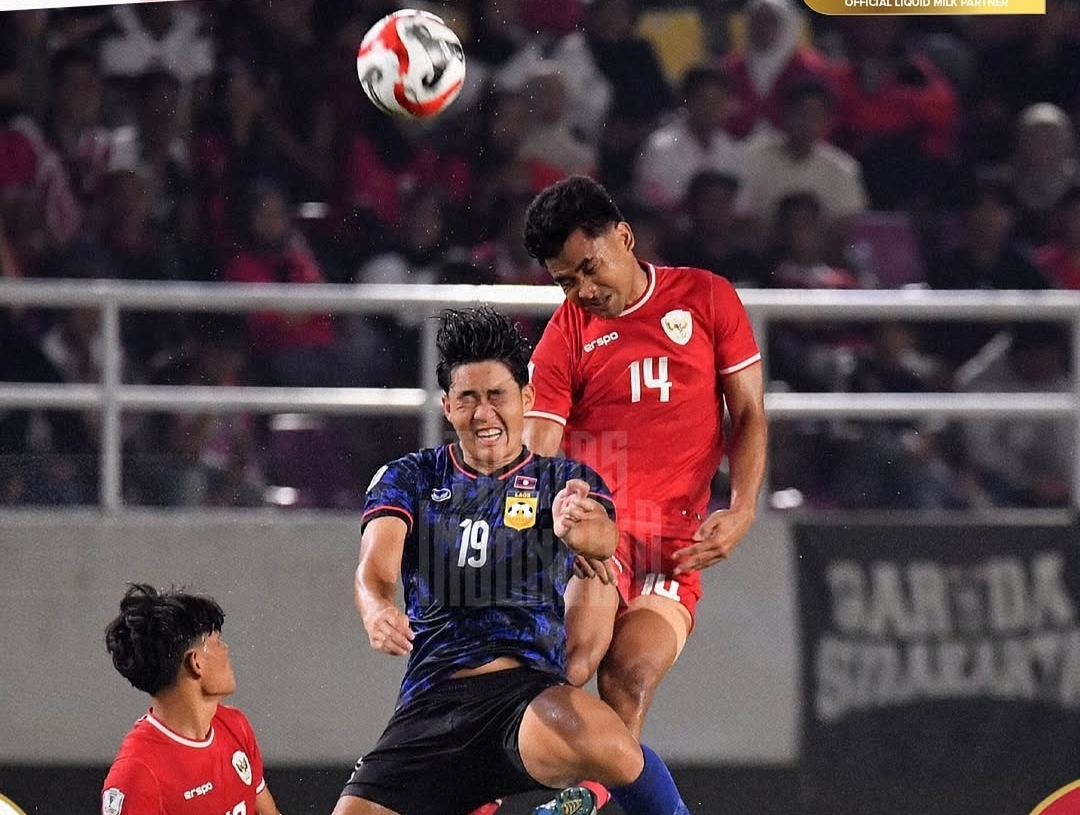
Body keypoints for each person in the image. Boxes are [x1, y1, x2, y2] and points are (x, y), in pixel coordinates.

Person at [331, 306, 692, 815]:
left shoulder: (562, 480)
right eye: (468, 399)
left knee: (610, 744)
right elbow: (375, 569)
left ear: (526, 399)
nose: (483, 415)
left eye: (497, 396)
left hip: (523, 700)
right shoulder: (408, 476)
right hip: (431, 703)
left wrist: (578, 528)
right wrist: (376, 610)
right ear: (447, 406)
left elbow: (604, 537)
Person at [521, 175, 768, 809]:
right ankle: (548, 793)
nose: (583, 290)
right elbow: (538, 449)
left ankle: (588, 798)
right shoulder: (566, 335)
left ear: (623, 237)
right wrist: (535, 509)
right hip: (599, 534)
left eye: (588, 268)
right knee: (576, 662)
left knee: (628, 676)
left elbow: (749, 416)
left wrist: (741, 511)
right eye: (566, 282)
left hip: (678, 545)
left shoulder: (707, 299)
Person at [102, 583, 283, 815]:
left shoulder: (235, 726)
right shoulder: (136, 775)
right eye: (217, 641)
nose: (226, 648)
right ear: (196, 662)